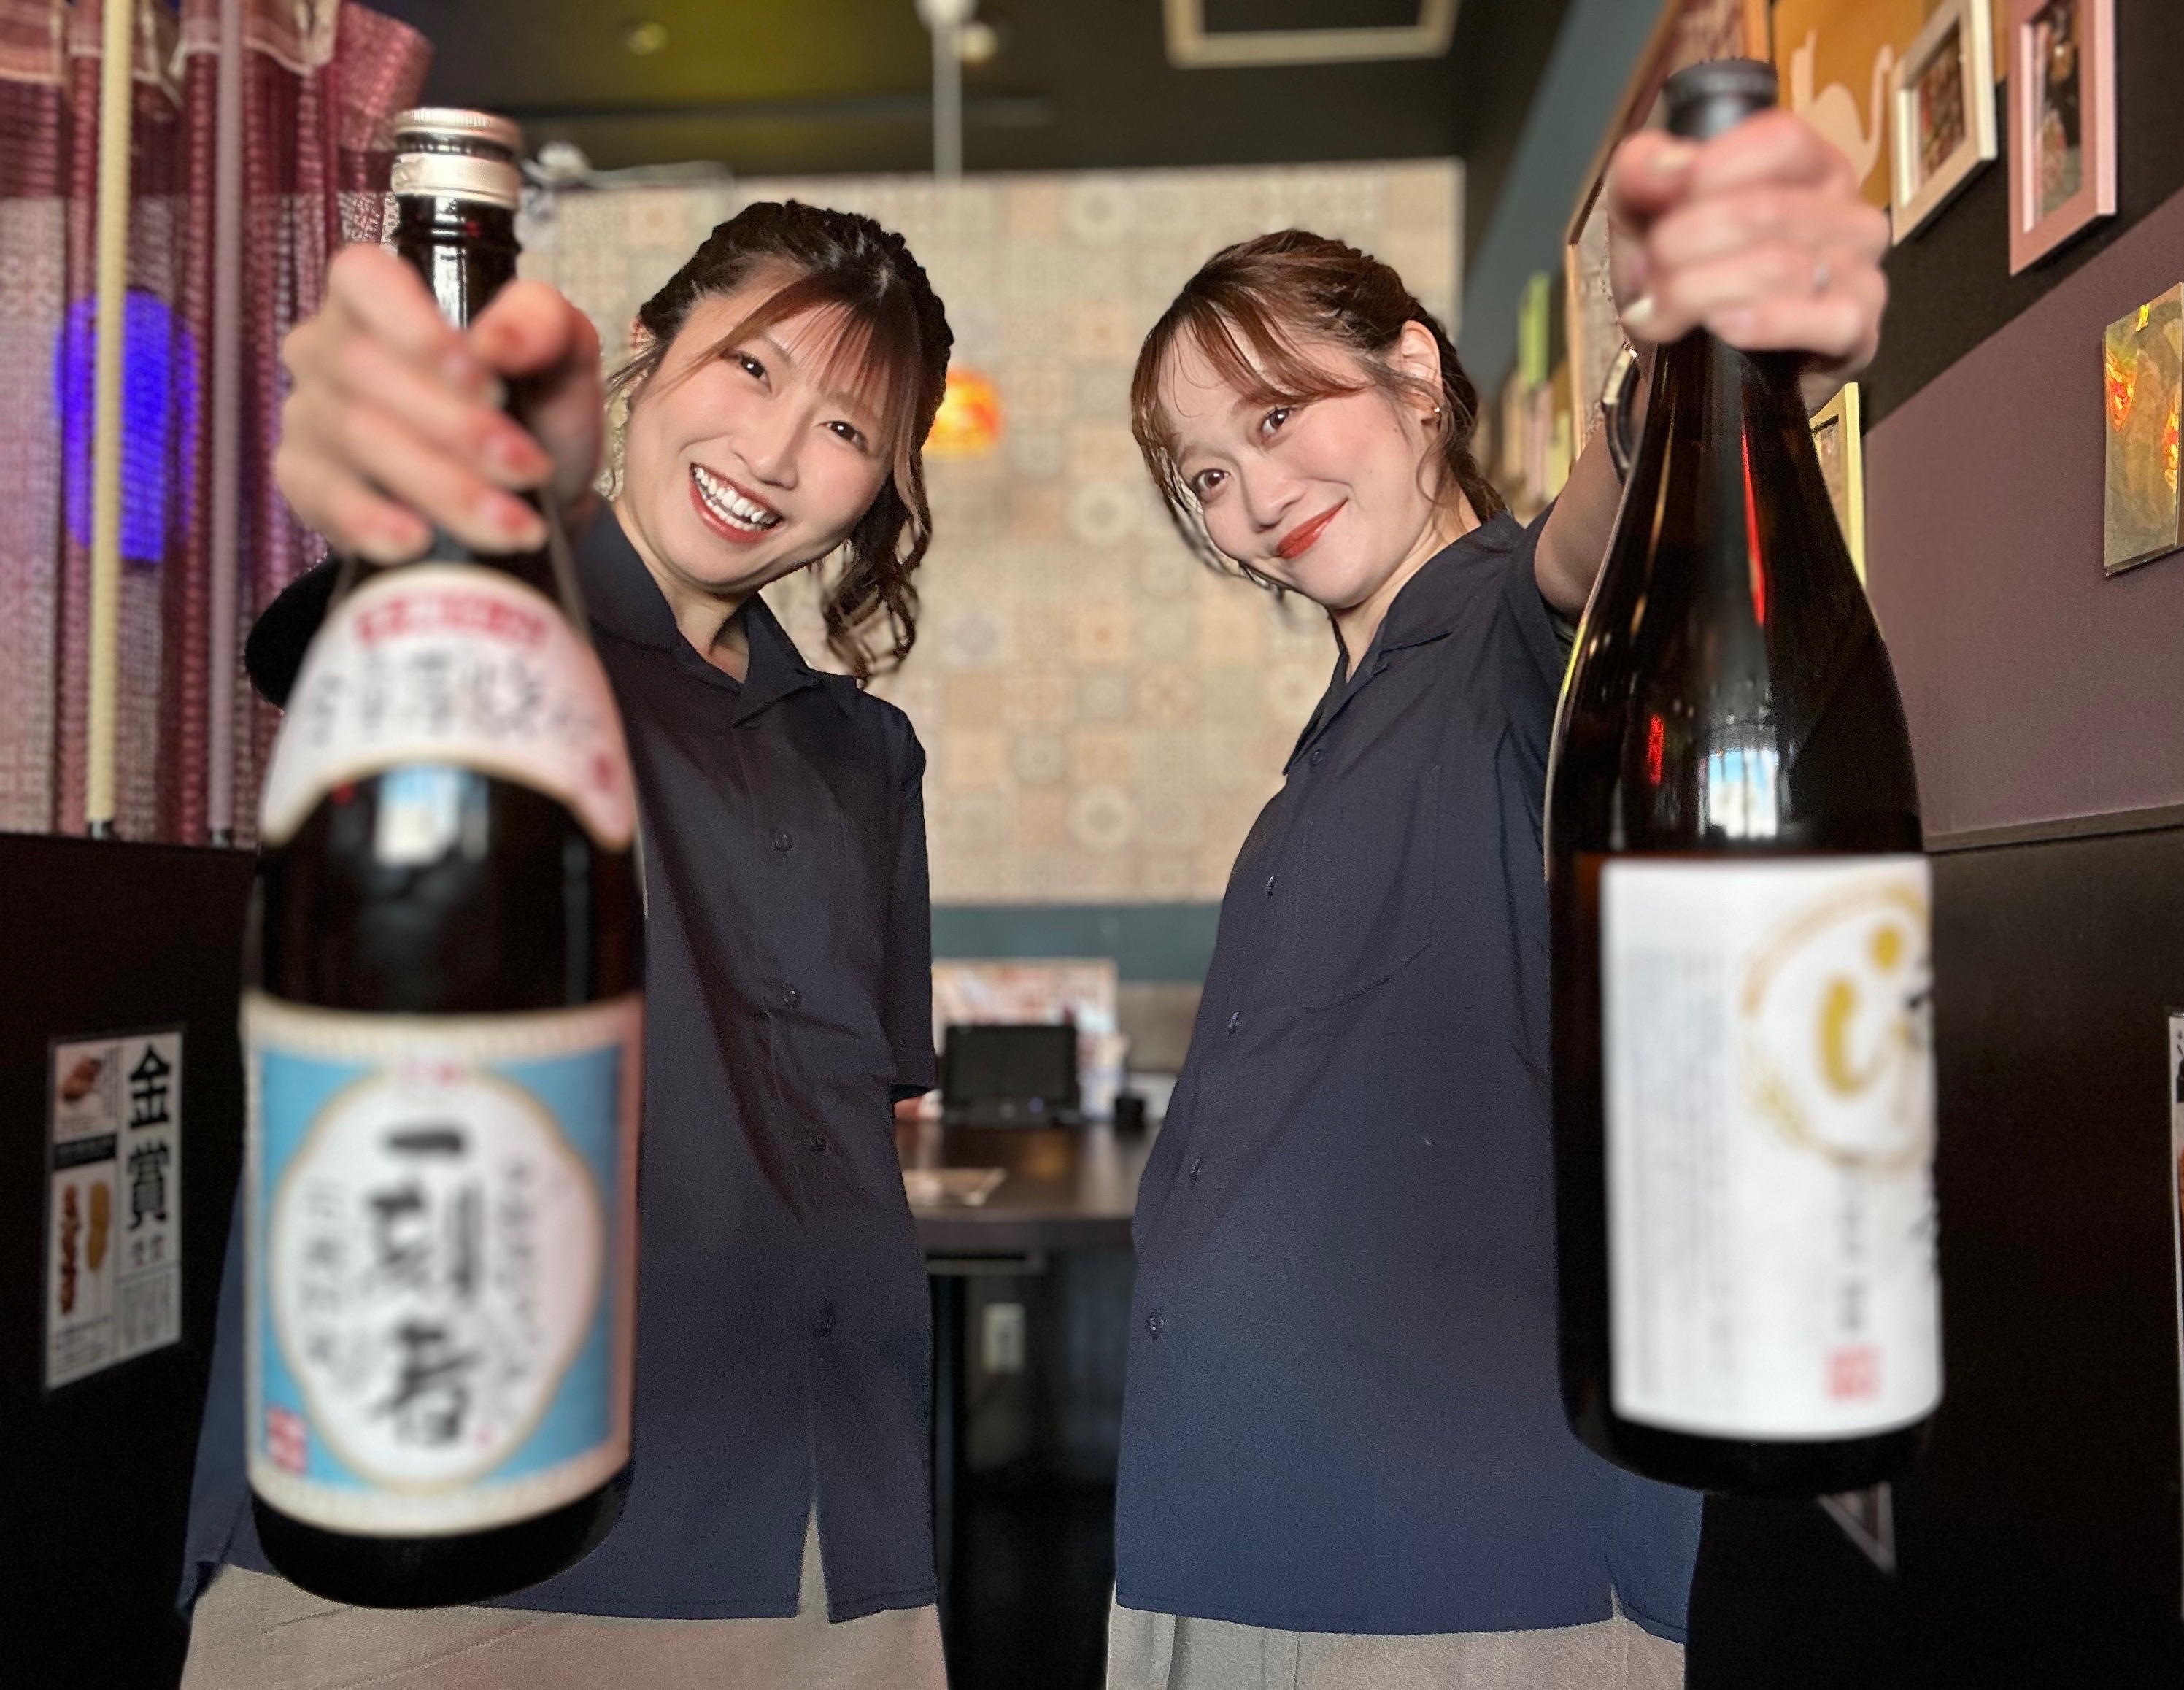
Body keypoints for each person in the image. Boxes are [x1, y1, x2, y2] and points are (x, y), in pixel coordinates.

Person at [1107, 109, 1891, 1689]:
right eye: (1207, 475)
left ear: (1412, 374)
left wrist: (1695, 359)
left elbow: (1597, 535)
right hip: (1237, 1515)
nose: (1254, 492)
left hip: (1454, 1555)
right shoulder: (1344, 727)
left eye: (1278, 415)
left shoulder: (1509, 625)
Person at [180, 200, 957, 1689]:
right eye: (750, 369)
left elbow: (860, 1124)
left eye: (849, 428)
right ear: (647, 353)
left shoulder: (865, 758)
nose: (776, 453)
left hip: (813, 1530)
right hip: (424, 1528)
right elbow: (343, 628)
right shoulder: (490, 625)